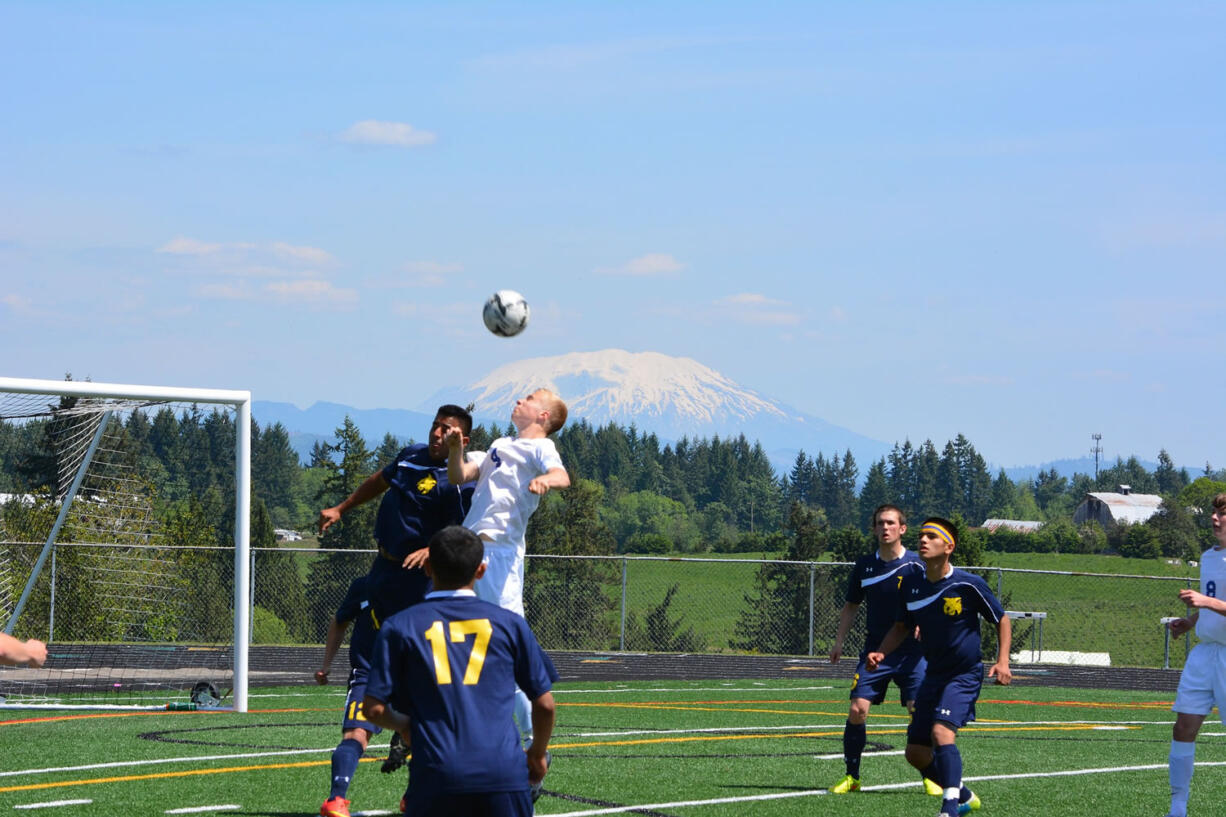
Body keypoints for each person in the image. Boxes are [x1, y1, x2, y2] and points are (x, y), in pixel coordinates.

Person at [363, 525, 558, 817]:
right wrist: (538, 753)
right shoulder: (509, 624)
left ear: (427, 567)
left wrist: (405, 726)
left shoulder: (400, 626)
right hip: (502, 775)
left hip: (436, 774)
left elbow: (374, 709)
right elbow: (544, 704)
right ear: (481, 570)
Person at [444, 389, 569, 759]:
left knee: (506, 645)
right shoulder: (500, 445)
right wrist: (455, 449)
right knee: (460, 642)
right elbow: (458, 476)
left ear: (543, 416)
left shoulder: (539, 448)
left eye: (530, 397)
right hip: (469, 550)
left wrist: (547, 481)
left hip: (499, 555)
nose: (520, 398)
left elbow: (561, 474)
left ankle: (535, 743)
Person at [867, 517, 1011, 817]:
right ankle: (965, 795)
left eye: (931, 536)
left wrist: (1002, 660)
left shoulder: (968, 584)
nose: (923, 540)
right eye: (921, 535)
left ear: (949, 546)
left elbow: (1002, 619)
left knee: (942, 733)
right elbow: (901, 626)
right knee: (916, 753)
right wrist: (880, 652)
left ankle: (949, 809)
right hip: (933, 674)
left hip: (964, 674)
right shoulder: (910, 585)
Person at [318, 404, 475, 621]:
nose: (436, 434)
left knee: (411, 643)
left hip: (419, 578)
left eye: (446, 430)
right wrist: (341, 508)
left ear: (462, 441)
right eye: (434, 426)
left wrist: (432, 549)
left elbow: (464, 530)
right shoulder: (410, 455)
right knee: (370, 644)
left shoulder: (459, 481)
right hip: (383, 566)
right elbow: (380, 481)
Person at [828, 504, 939, 797]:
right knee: (857, 710)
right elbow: (851, 606)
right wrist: (839, 641)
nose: (885, 528)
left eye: (891, 523)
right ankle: (852, 777)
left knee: (918, 713)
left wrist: (925, 623)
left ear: (902, 529)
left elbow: (936, 599)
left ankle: (930, 775)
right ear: (874, 528)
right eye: (880, 523)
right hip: (875, 653)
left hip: (914, 654)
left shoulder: (918, 564)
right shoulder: (865, 566)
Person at [1164, 492, 1226, 817]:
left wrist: (1206, 602)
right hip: (1204, 656)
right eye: (1214, 513)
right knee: (1183, 728)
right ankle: (1178, 808)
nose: (1215, 519)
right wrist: (1189, 622)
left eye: (1223, 514)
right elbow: (1210, 607)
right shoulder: (1208, 557)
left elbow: (1211, 602)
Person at [316, 575, 382, 817]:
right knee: (357, 735)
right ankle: (337, 799)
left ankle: (336, 799)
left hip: (407, 674)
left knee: (358, 735)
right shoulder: (366, 585)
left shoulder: (424, 582)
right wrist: (326, 663)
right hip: (373, 674)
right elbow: (340, 620)